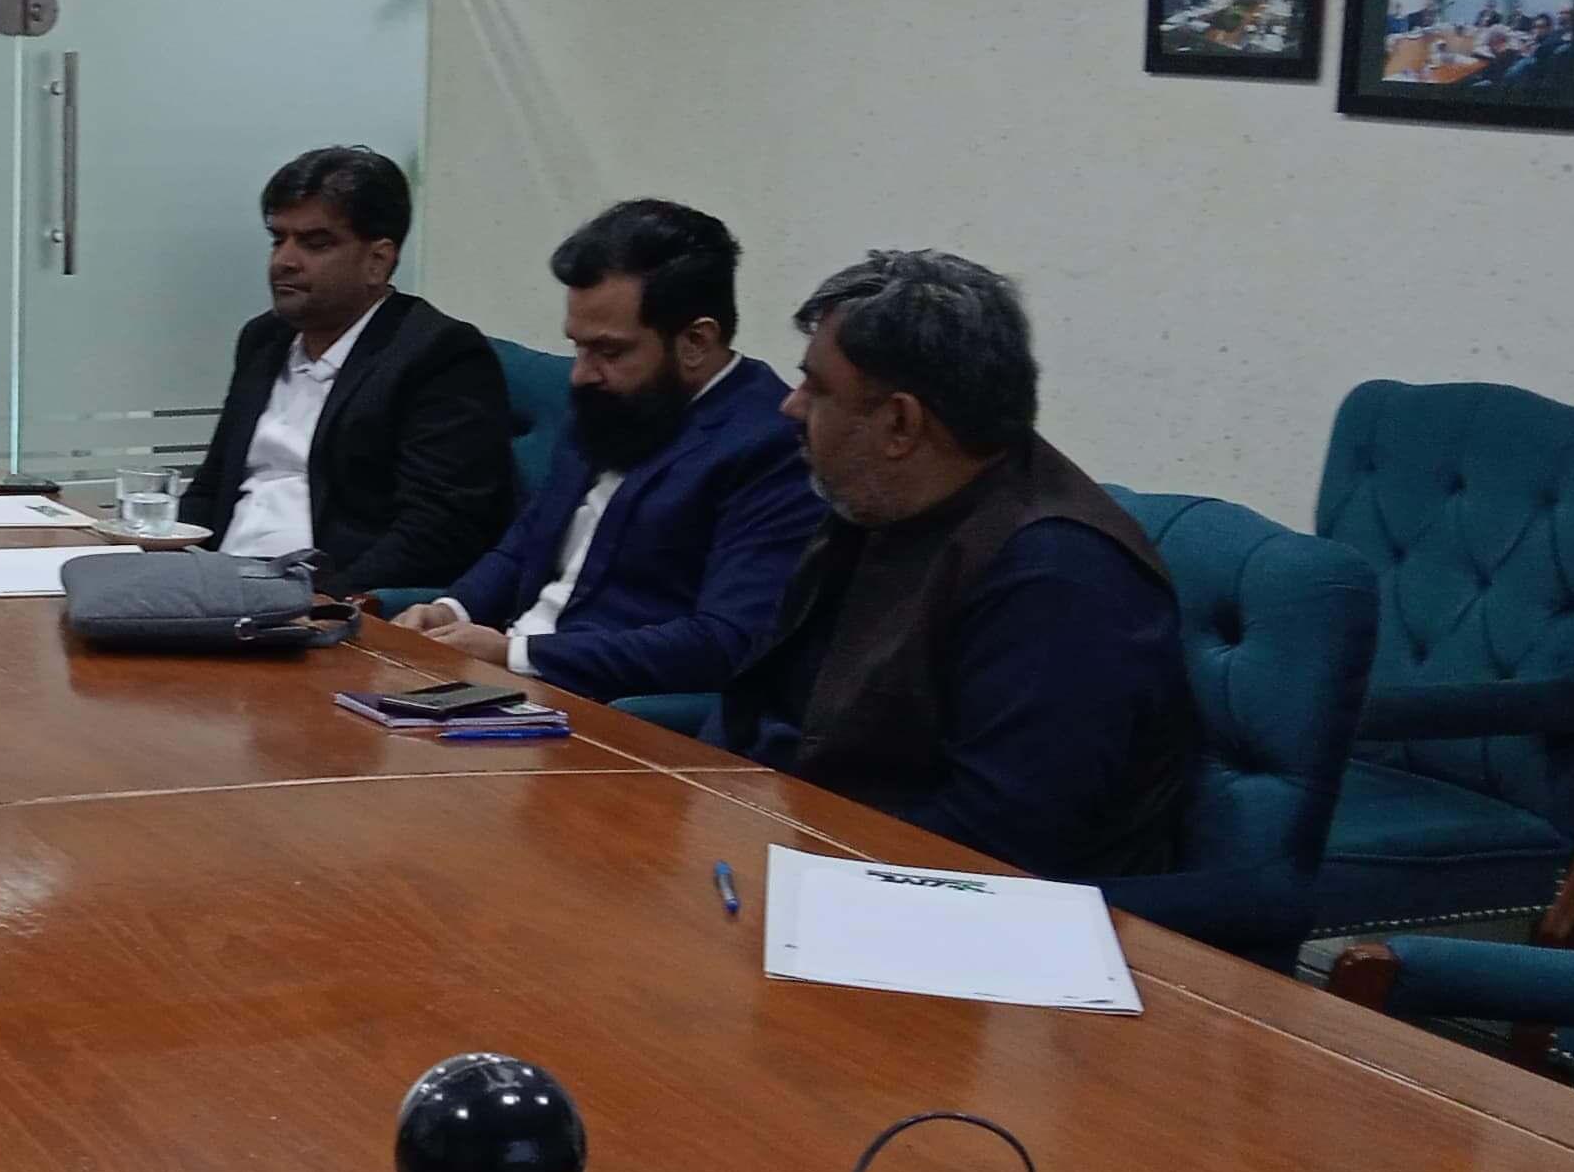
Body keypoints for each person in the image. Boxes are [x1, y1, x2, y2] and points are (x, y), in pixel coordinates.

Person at [714, 251, 1192, 880]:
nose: (791, 407)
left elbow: (994, 842)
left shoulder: (1059, 579)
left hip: (932, 901)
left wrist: (784, 862)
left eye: (818, 388)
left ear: (900, 424)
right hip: (801, 843)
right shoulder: (874, 499)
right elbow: (759, 703)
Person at [395, 202, 817, 703]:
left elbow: (724, 642)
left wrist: (517, 654)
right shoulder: (608, 401)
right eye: (579, 346)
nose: (581, 374)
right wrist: (452, 610)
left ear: (696, 341)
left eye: (609, 351)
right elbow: (527, 542)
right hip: (502, 678)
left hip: (599, 705)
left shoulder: (770, 446)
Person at [175, 146, 519, 595]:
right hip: (220, 583)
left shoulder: (439, 354)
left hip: (318, 598)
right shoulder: (264, 339)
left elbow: (437, 531)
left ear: (377, 260)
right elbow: (211, 486)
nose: (284, 261)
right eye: (278, 239)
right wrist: (172, 567)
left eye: (315, 243)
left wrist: (323, 604)